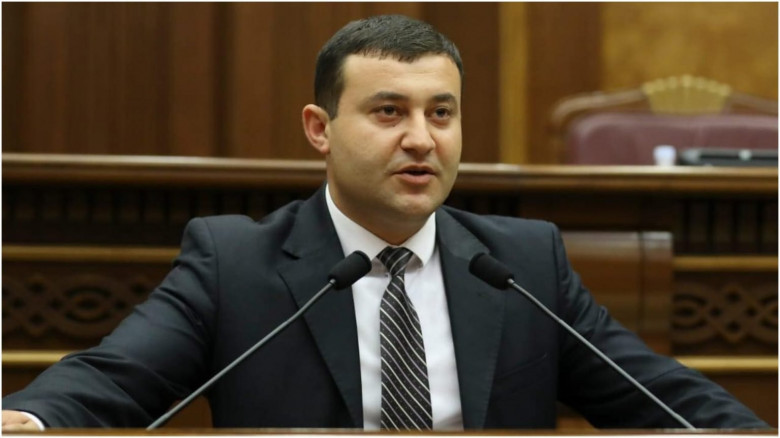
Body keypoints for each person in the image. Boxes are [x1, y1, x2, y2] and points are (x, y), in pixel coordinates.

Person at [1, 14, 770, 431]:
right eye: (389, 112)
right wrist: (31, 419)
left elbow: (659, 394)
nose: (421, 140)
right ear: (319, 128)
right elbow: (115, 377)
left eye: (442, 113)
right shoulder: (236, 262)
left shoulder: (522, 262)